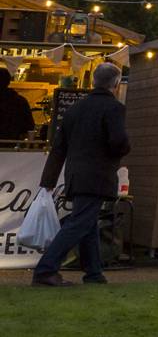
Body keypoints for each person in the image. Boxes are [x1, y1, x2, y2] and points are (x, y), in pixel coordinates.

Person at [32, 62, 129, 288]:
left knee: (88, 223)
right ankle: (45, 270)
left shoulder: (75, 109)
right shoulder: (114, 108)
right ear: (115, 84)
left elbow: (59, 148)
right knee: (79, 223)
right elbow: (118, 141)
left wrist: (48, 180)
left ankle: (94, 272)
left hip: (75, 175)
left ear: (94, 80)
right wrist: (124, 149)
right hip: (98, 175)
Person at [0, 67, 35, 141]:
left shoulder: (19, 101)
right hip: (13, 146)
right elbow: (30, 125)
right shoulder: (20, 101)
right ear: (9, 82)